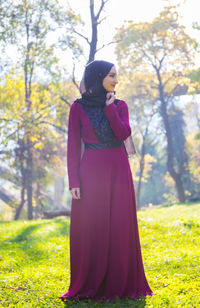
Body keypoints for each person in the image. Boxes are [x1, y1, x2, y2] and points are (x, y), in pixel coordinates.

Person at [59, 60, 154, 303]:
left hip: (119, 169)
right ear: (98, 76)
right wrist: (74, 181)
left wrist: (110, 109)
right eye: (111, 75)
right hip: (90, 172)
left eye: (116, 75)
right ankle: (91, 281)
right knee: (93, 226)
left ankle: (120, 282)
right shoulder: (78, 108)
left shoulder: (120, 105)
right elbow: (73, 146)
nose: (116, 79)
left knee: (120, 224)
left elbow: (123, 134)